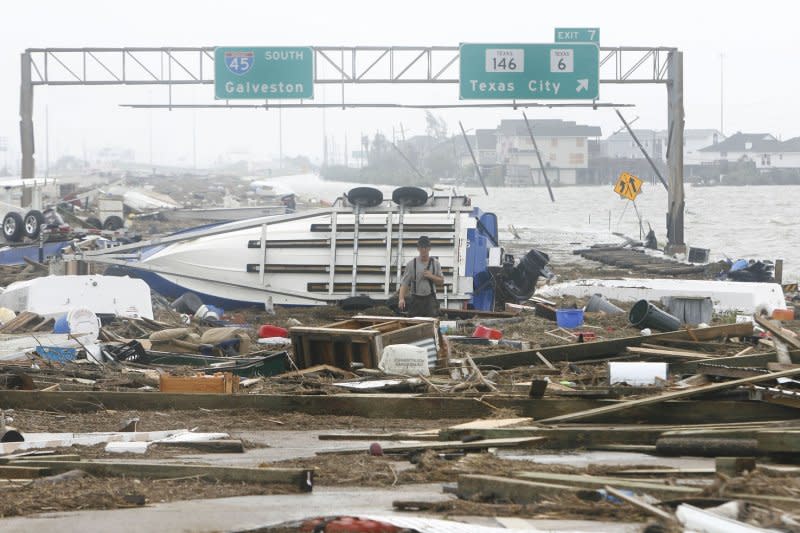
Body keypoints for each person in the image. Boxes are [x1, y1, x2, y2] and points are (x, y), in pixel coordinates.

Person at [398, 235, 443, 317]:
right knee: (413, 324)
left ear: (429, 248)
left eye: (425, 247)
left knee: (431, 325)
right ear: (418, 249)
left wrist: (431, 276)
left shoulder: (435, 263)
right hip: (415, 299)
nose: (423, 250)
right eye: (421, 247)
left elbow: (441, 281)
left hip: (430, 299)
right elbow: (404, 284)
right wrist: (401, 299)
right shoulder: (411, 264)